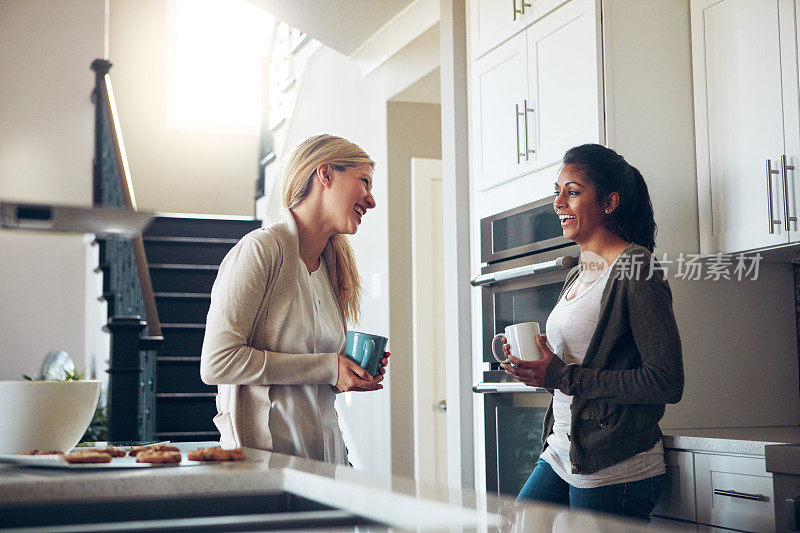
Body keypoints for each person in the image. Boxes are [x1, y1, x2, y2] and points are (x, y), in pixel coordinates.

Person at [501, 143, 683, 521]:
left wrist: (561, 375)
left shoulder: (636, 267)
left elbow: (666, 381)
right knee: (521, 523)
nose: (558, 203)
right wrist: (540, 370)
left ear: (609, 202)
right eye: (557, 192)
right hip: (563, 451)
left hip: (615, 465)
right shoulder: (577, 272)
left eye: (573, 192)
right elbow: (578, 373)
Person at [200, 134, 389, 465]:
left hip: (329, 460)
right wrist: (328, 368)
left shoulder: (333, 265)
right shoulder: (260, 250)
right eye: (364, 182)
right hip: (268, 465)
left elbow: (306, 380)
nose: (371, 201)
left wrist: (346, 373)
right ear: (325, 174)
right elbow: (218, 361)